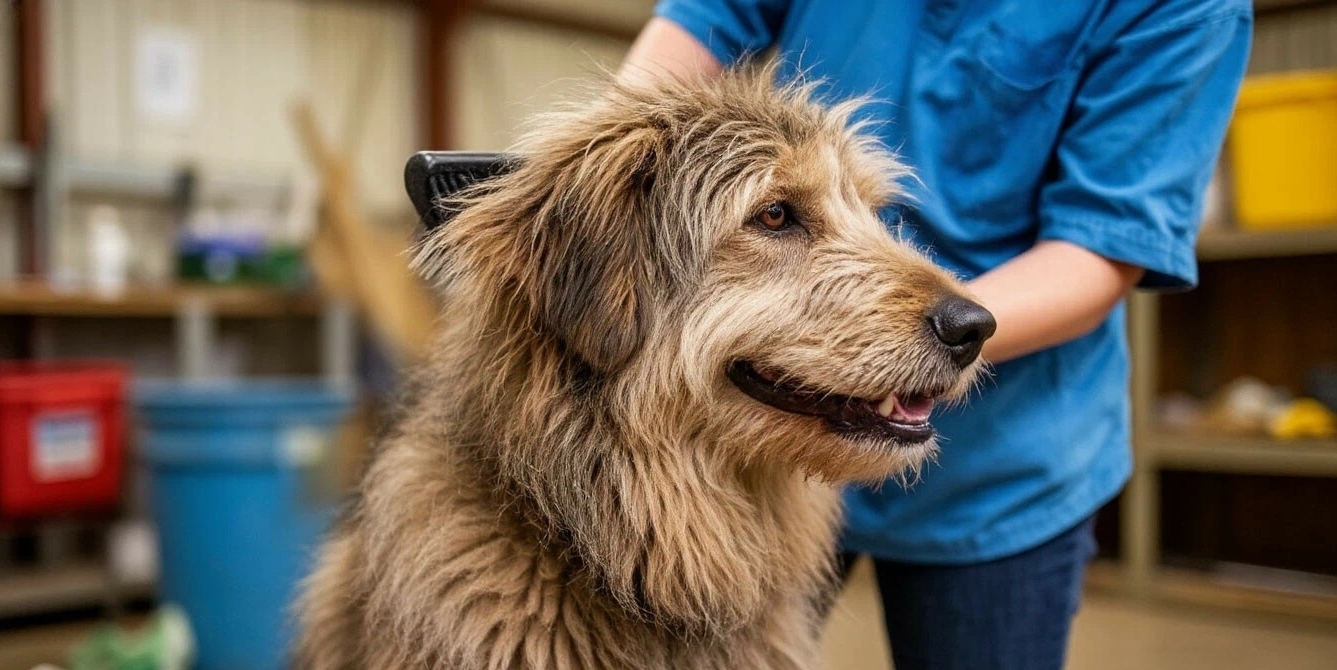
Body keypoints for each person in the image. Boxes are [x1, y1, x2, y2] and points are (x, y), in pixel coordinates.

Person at [620, 2, 1252, 669]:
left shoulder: (1185, 9)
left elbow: (1096, 252)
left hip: (1002, 463)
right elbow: (675, 62)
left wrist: (894, 330)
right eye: (777, 215)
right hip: (752, 450)